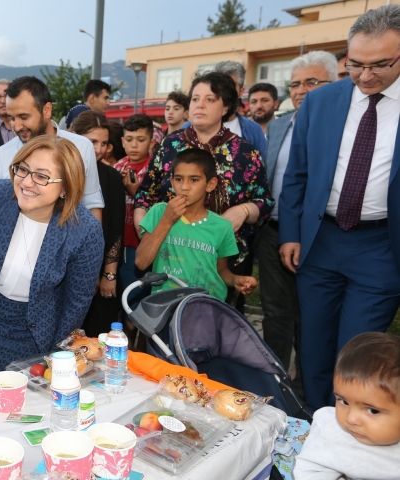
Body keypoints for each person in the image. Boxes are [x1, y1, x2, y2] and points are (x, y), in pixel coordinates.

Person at [278, 4, 400, 411]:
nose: (366, 76)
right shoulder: (321, 102)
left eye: (380, 64)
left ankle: (351, 430)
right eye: (355, 65)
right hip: (319, 242)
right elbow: (297, 174)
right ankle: (316, 423)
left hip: (382, 246)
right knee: (313, 343)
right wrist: (291, 233)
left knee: (356, 351)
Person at [0, 136, 103, 376]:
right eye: (23, 169)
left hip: (42, 336)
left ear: (66, 187)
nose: (26, 182)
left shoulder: (84, 229)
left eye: (42, 176)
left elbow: (76, 301)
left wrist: (55, 352)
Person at [135, 72, 273, 305]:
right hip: (170, 256)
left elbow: (265, 200)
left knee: (217, 328)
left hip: (224, 260)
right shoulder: (170, 145)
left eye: (210, 99)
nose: (200, 105)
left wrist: (244, 211)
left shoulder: (245, 152)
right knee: (160, 323)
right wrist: (147, 235)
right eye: (195, 99)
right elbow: (145, 194)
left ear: (225, 106)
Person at [260, 51, 337, 394]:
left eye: (312, 81)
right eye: (295, 83)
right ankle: (274, 386)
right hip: (272, 233)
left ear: (335, 84)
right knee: (276, 315)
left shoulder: (340, 127)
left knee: (312, 318)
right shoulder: (277, 125)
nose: (302, 90)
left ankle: (308, 392)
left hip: (318, 237)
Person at [136, 148, 257, 300]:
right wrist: (167, 220)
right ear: (172, 181)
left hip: (206, 308)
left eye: (194, 180)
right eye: (179, 179)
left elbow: (221, 270)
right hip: (165, 305)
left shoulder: (222, 226)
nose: (184, 187)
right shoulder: (160, 212)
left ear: (210, 184)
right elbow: (141, 262)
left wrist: (235, 280)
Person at [0, 76, 104, 221]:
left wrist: (94, 243)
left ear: (47, 110)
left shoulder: (82, 147)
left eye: (23, 117)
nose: (16, 127)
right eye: (11, 118)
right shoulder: (0, 156)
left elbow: (92, 203)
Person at [293, 333, 400, 479]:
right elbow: (309, 471)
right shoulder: (331, 431)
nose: (351, 418)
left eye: (372, 410)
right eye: (343, 401)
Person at [70, 111, 125, 336]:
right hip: (66, 272)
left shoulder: (111, 176)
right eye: (92, 141)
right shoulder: (62, 171)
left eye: (104, 143)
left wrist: (108, 275)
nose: (99, 149)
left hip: (102, 272)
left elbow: (115, 228)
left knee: (99, 338)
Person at [114, 115, 155, 302]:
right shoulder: (118, 167)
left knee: (144, 292)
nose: (134, 146)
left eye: (141, 140)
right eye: (129, 140)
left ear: (151, 141)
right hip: (122, 242)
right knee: (126, 292)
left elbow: (158, 205)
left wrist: (135, 192)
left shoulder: (155, 169)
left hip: (143, 242)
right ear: (122, 141)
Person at [210, 61, 268, 155]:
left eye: (230, 87)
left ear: (241, 91)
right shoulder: (190, 129)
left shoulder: (253, 129)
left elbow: (263, 166)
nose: (224, 93)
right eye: (219, 87)